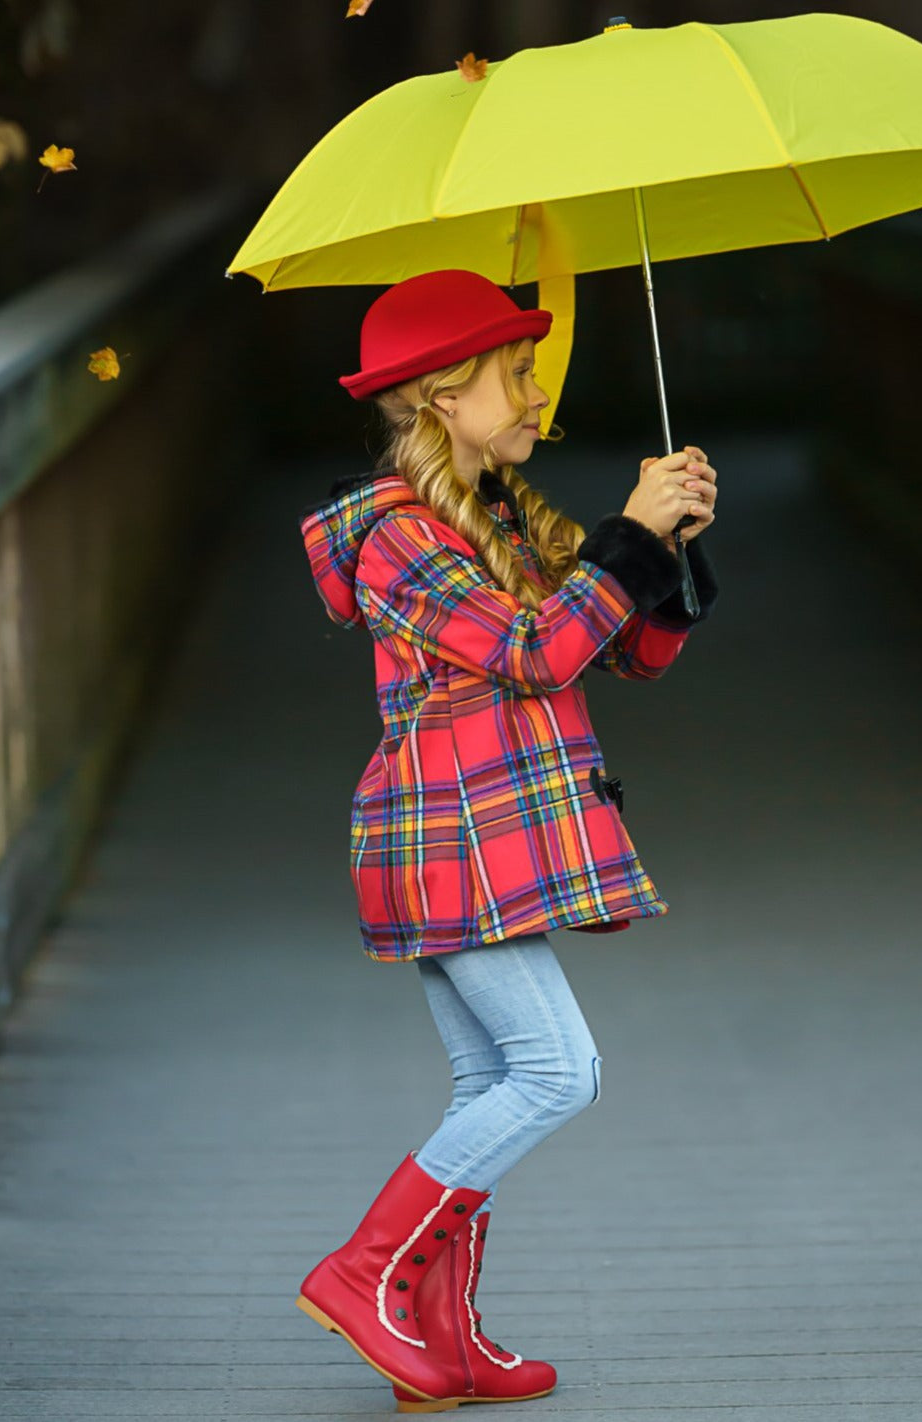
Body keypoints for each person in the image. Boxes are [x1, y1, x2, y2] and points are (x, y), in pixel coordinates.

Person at [295, 268, 719, 1413]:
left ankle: (443, 1338)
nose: (537, 392)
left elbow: (616, 652)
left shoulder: (493, 521)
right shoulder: (393, 534)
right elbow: (532, 650)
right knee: (555, 1071)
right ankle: (366, 1271)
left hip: (487, 839)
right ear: (441, 392)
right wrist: (625, 534)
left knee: (490, 1078)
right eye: (516, 371)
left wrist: (661, 551)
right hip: (445, 838)